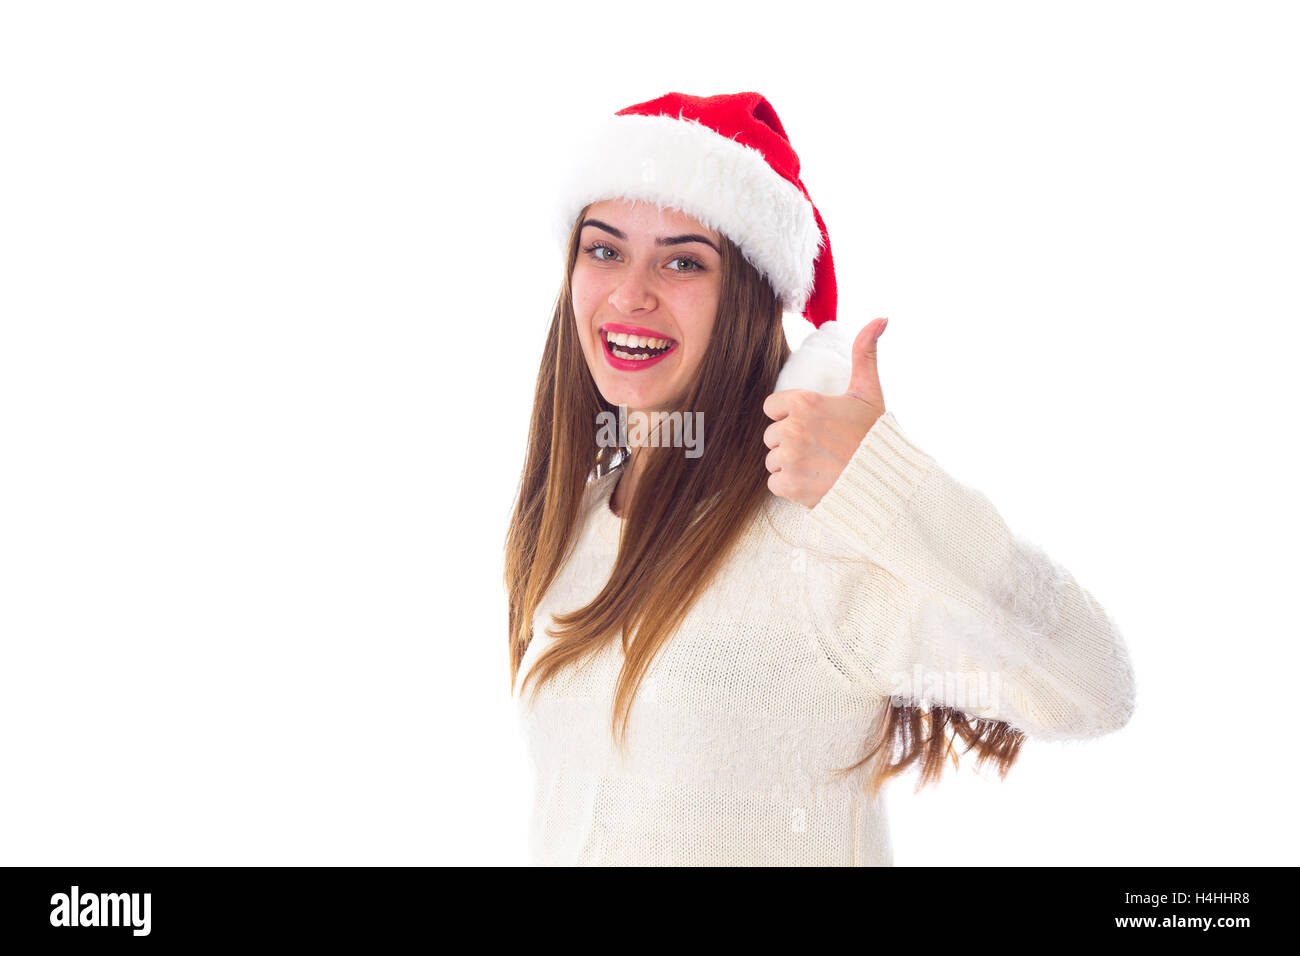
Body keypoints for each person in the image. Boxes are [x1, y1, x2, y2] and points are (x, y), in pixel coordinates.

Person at [503, 91, 1136, 866]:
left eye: (682, 261)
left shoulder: (812, 537)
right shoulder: (575, 520)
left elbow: (1093, 685)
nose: (632, 292)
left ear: (747, 297)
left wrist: (892, 486)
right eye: (604, 250)